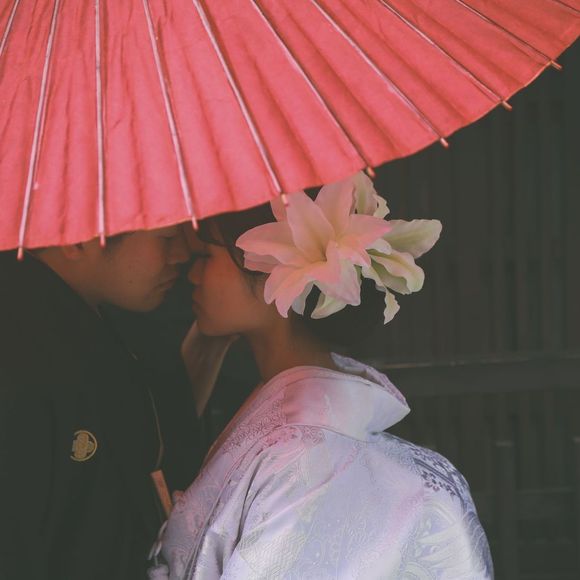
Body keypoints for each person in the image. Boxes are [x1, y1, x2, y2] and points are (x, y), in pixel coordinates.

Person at [148, 172, 493, 579]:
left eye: (205, 257)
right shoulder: (302, 439)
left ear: (271, 268)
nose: (191, 275)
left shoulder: (308, 460)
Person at [0, 225, 229, 580]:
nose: (183, 254)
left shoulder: (106, 316)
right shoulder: (18, 355)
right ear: (78, 236)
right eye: (167, 238)